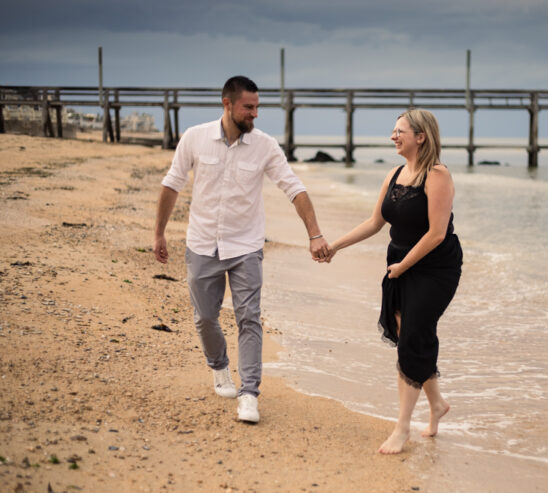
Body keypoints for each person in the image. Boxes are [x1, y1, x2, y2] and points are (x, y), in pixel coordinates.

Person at [153, 76, 330, 424]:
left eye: (257, 107)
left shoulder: (265, 146)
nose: (255, 114)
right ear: (227, 104)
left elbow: (294, 188)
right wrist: (158, 233)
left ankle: (250, 393)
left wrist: (315, 234)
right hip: (202, 243)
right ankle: (219, 367)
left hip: (247, 245)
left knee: (249, 317)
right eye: (248, 107)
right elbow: (172, 184)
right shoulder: (194, 138)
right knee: (205, 317)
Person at [324, 109, 462, 454]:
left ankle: (402, 428)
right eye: (393, 131)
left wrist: (403, 266)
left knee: (413, 336)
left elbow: (436, 234)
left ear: (421, 137)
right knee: (408, 336)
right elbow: (374, 223)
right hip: (399, 262)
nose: (393, 137)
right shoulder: (395, 174)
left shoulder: (438, 175)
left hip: (435, 268)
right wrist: (335, 246)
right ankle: (437, 404)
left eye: (400, 131)